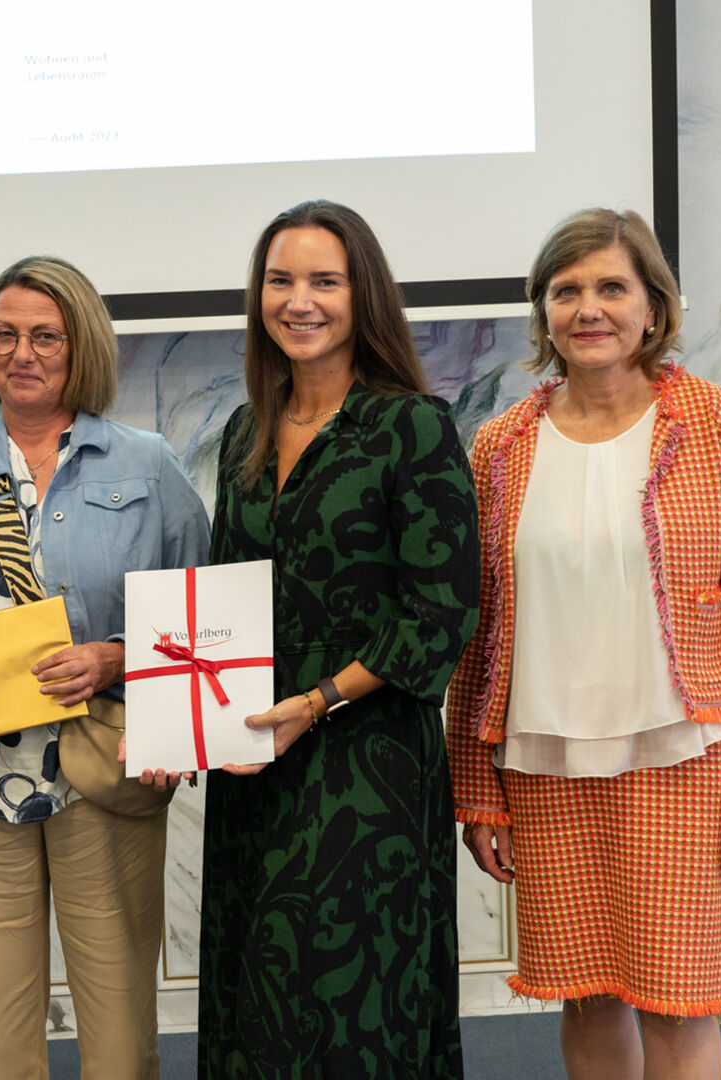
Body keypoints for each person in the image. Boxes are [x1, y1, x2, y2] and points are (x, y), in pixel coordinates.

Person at [446, 208, 721, 1078]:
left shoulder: (716, 421)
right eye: (566, 291)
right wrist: (476, 791)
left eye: (612, 287)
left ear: (653, 307)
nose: (588, 309)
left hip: (682, 760)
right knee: (587, 994)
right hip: (545, 765)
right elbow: (477, 634)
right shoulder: (499, 444)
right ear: (544, 310)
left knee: (680, 999)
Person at [0, 255, 210, 1079]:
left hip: (102, 772)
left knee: (118, 1038)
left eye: (46, 336)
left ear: (83, 347)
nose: (22, 353)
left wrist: (117, 658)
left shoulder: (148, 466)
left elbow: (202, 619)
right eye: (4, 334)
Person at [197, 200, 479, 1077]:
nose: (299, 300)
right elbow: (224, 598)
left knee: (354, 1009)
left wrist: (317, 702)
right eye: (280, 280)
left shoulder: (412, 426)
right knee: (256, 998)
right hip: (255, 758)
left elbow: (440, 613)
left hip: (367, 766)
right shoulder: (244, 431)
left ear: (365, 297)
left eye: (325, 280)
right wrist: (181, 723)